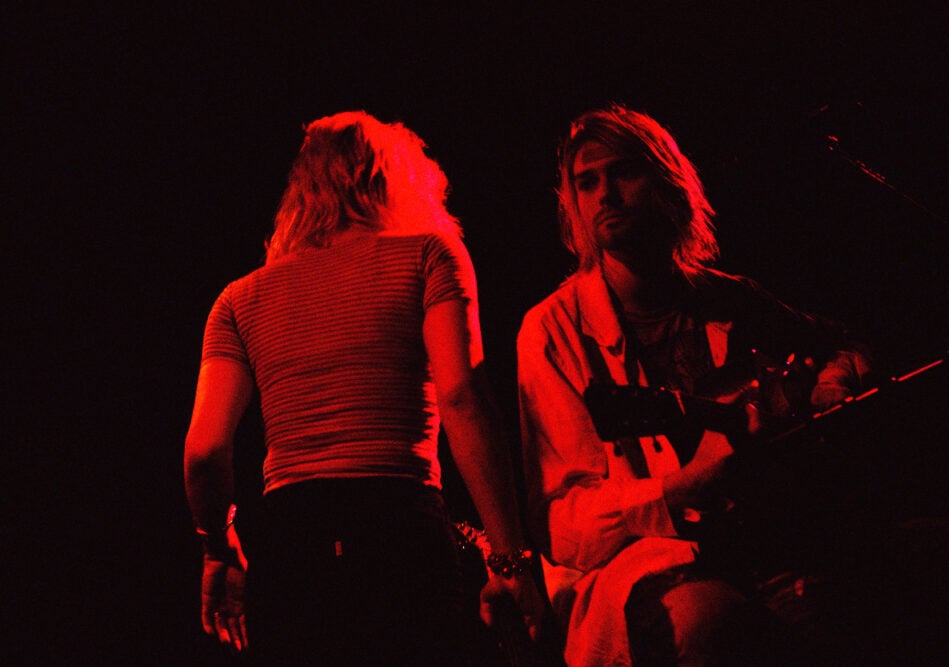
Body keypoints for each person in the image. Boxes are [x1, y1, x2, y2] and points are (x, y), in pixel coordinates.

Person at [516, 105, 885, 666]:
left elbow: (844, 343)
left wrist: (828, 386)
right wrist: (677, 490)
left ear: (666, 181)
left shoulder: (727, 298)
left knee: (945, 553)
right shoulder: (554, 330)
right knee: (710, 620)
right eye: (586, 183)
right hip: (646, 568)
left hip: (771, 542)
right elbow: (563, 523)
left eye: (623, 173)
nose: (605, 195)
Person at [184, 111, 544, 665]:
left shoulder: (238, 299)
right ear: (399, 180)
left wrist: (218, 549)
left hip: (289, 538)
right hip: (398, 521)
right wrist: (510, 561)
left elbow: (205, 452)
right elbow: (463, 398)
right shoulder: (428, 256)